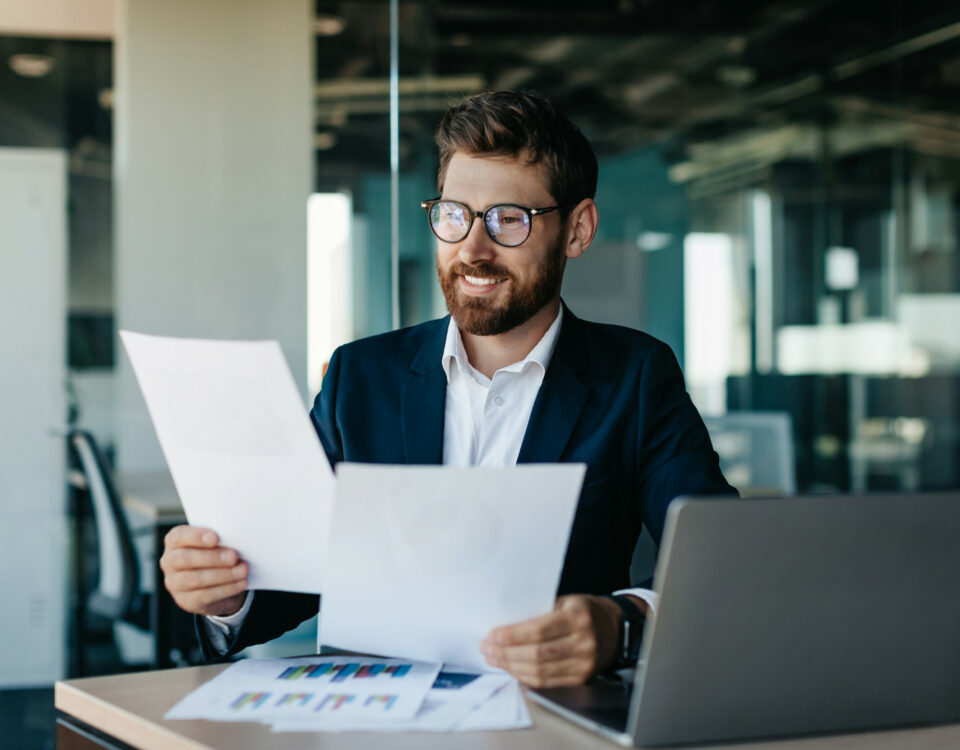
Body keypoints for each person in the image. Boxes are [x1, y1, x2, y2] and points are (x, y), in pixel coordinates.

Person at [160, 90, 736, 688]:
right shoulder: (360, 376)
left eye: (509, 219)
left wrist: (622, 624)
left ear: (578, 229)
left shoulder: (636, 376)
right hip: (378, 719)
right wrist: (225, 593)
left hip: (550, 719)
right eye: (455, 214)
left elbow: (721, 565)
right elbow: (300, 572)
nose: (472, 249)